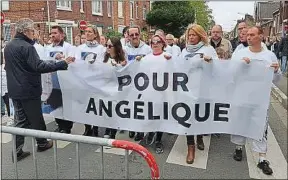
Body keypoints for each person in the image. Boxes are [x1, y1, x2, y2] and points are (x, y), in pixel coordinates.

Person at [4, 18, 74, 162]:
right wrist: (62, 63)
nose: (34, 34)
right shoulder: (28, 47)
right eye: (32, 31)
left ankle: (18, 150)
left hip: (15, 89)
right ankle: (41, 143)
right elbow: (38, 67)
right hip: (29, 89)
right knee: (34, 118)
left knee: (21, 119)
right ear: (26, 31)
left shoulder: (9, 46)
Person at [231, 26, 281, 175]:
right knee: (241, 122)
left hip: (260, 99)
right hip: (242, 96)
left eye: (252, 35)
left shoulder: (270, 56)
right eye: (248, 35)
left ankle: (261, 158)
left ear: (261, 36)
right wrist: (240, 65)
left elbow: (276, 80)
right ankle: (239, 148)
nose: (249, 37)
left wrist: (277, 71)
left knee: (260, 126)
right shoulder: (240, 54)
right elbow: (230, 74)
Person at [180, 23, 218, 164]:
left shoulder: (208, 49)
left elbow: (218, 68)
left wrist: (210, 62)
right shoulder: (185, 51)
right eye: (189, 35)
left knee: (200, 115)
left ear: (200, 35)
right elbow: (179, 66)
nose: (191, 37)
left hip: (203, 89)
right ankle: (191, 147)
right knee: (188, 118)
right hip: (187, 89)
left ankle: (200, 136)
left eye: (193, 34)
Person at [75, 25, 106, 136]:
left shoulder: (101, 49)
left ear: (95, 34)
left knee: (95, 105)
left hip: (96, 82)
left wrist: (95, 64)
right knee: (85, 105)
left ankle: (96, 127)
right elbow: (76, 63)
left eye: (90, 32)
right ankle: (87, 127)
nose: (87, 33)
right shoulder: (80, 49)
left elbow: (104, 64)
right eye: (86, 31)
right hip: (84, 82)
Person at [45, 25, 75, 134]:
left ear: (62, 35)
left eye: (55, 33)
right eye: (51, 33)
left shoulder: (68, 47)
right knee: (55, 103)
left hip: (65, 81)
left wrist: (62, 59)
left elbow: (71, 61)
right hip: (53, 80)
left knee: (65, 104)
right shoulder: (48, 48)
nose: (52, 35)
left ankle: (67, 127)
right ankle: (59, 124)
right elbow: (45, 61)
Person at [124, 25, 152, 141]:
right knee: (130, 107)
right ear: (128, 36)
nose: (134, 37)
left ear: (140, 35)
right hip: (130, 83)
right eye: (132, 35)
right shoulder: (125, 49)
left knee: (141, 108)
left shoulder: (147, 49)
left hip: (143, 84)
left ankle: (140, 130)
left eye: (136, 34)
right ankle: (131, 127)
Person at [102, 37, 127, 139]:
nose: (107, 48)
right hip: (106, 89)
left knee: (114, 111)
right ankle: (108, 129)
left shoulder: (122, 59)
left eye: (110, 46)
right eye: (106, 45)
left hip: (117, 90)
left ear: (116, 47)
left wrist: (120, 66)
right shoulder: (104, 58)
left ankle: (111, 133)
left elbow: (126, 73)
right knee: (107, 111)